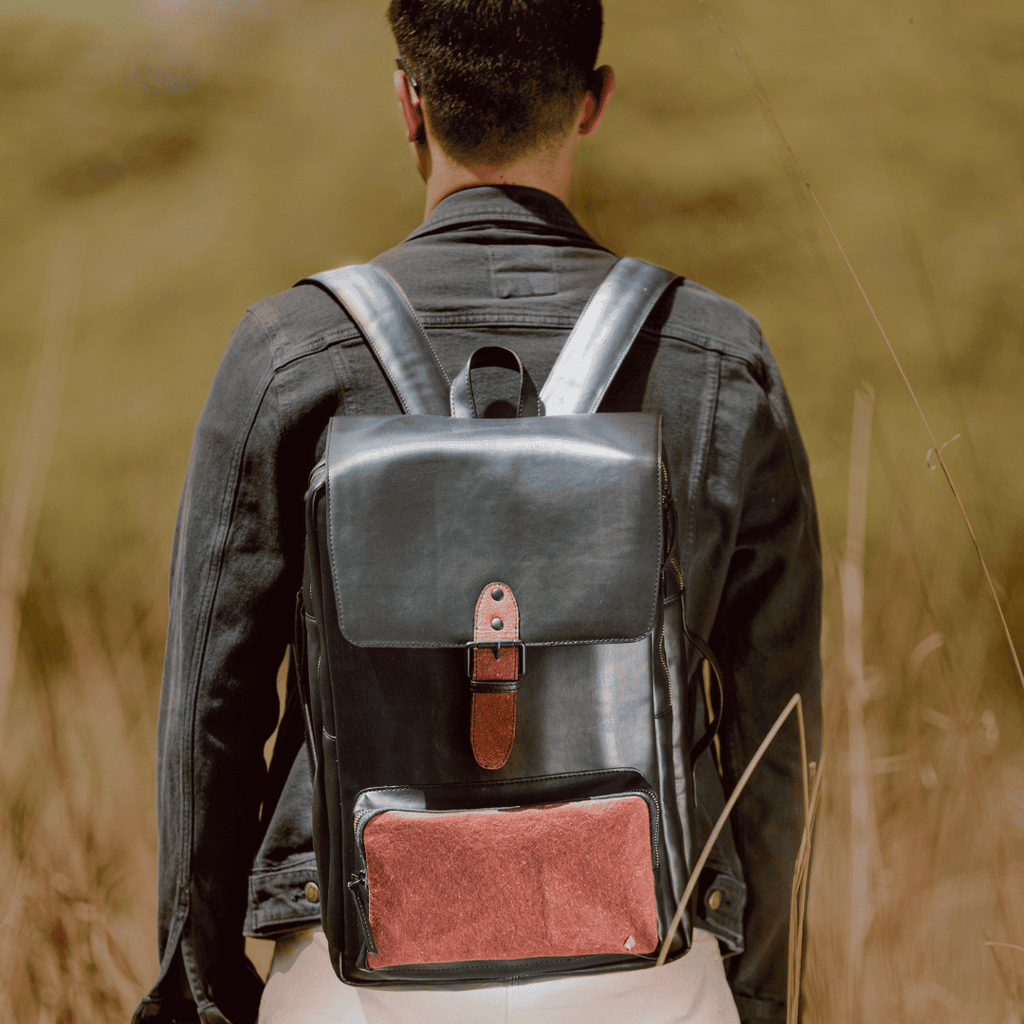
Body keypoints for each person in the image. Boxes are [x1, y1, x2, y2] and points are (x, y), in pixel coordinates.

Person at [132, 2, 822, 1022]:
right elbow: (779, 726)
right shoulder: (719, 357)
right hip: (647, 960)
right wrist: (758, 990)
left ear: (408, 102)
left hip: (354, 968)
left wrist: (200, 994)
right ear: (592, 102)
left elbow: (211, 715)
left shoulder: (288, 351)